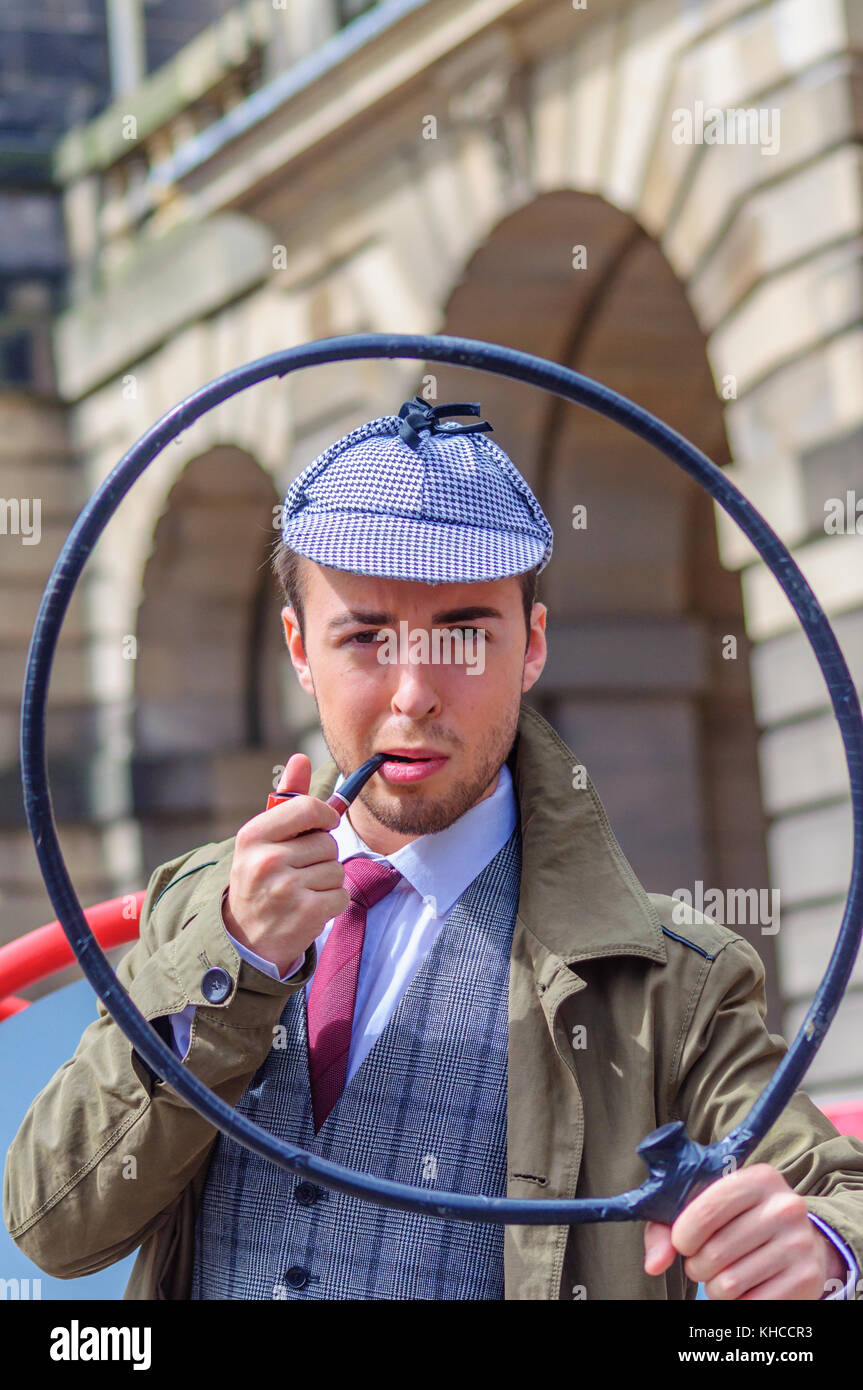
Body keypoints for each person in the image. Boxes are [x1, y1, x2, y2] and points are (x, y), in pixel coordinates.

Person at [5, 394, 863, 1301]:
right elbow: (53, 1228)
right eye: (366, 637)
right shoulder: (198, 908)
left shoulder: (668, 983)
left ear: (530, 648)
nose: (413, 694)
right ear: (299, 649)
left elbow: (833, 1198)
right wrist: (232, 960)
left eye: (461, 634)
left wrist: (818, 1251)